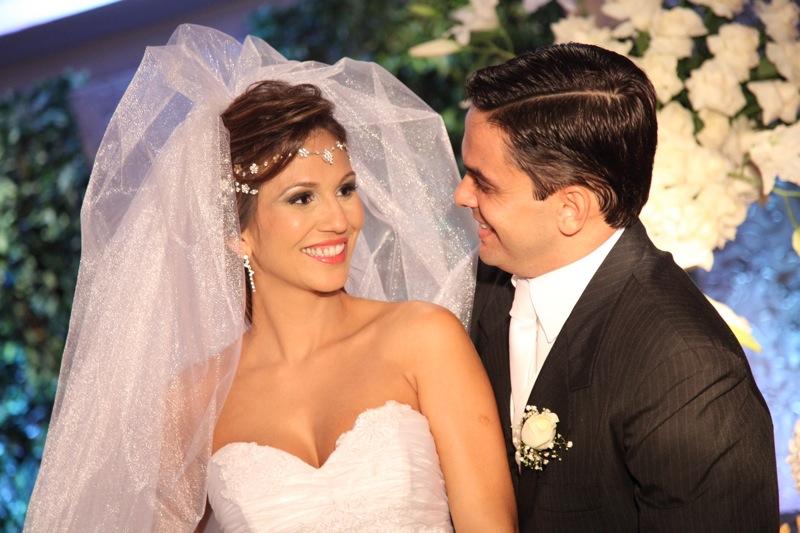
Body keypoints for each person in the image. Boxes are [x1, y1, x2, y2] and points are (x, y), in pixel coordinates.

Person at [24, 25, 515, 532]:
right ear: (236, 233)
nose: (339, 220)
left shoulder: (423, 339)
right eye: (302, 198)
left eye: (345, 190)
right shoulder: (192, 401)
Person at [455, 43, 779, 532]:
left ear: (571, 209)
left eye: (484, 183)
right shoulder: (478, 284)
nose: (461, 195)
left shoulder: (689, 373)